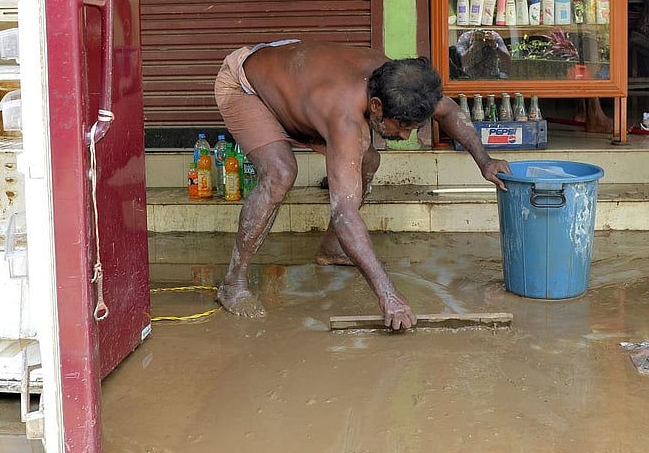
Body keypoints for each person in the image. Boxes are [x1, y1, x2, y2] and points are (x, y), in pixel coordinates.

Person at [213, 40, 510, 331]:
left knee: (368, 159)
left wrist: (485, 161)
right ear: (377, 106)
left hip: (295, 74)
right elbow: (345, 213)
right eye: (403, 126)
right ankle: (233, 283)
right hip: (247, 84)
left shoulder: (401, 83)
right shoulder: (345, 118)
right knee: (281, 173)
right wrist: (388, 296)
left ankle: (331, 250)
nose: (406, 137)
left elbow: (447, 111)